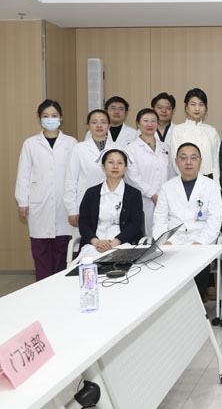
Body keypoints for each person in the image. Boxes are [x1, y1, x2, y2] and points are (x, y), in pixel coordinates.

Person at [15, 99, 77, 280]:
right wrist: (22, 201)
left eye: (54, 115)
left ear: (61, 118)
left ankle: (57, 285)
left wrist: (74, 205)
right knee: (40, 249)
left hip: (63, 203)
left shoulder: (71, 142)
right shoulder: (30, 144)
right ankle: (42, 286)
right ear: (39, 119)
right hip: (38, 203)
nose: (50, 119)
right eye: (46, 116)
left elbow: (75, 175)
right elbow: (23, 174)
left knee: (62, 249)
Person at [153, 142, 222, 297]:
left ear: (200, 161)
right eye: (183, 158)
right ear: (176, 161)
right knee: (166, 278)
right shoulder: (167, 187)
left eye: (193, 158)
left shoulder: (211, 187)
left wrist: (200, 243)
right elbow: (159, 219)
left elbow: (214, 221)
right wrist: (165, 241)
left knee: (198, 269)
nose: (188, 162)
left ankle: (196, 305)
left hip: (200, 243)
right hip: (172, 243)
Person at [76, 149, 144, 261]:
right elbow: (83, 224)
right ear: (103, 166)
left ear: (125, 168)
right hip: (95, 245)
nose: (115, 166)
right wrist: (96, 242)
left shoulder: (134, 194)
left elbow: (135, 224)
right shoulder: (91, 193)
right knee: (90, 264)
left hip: (123, 244)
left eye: (120, 163)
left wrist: (115, 243)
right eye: (111, 162)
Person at [125, 108, 175, 235]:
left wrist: (165, 194)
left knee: (164, 233)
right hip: (143, 199)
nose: (150, 124)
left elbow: (171, 173)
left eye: (153, 121)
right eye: (145, 121)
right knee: (145, 234)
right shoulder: (130, 149)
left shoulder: (165, 147)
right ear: (138, 124)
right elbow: (132, 178)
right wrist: (152, 195)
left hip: (164, 198)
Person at [64, 109, 116, 228]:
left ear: (109, 125)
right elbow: (71, 180)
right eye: (94, 122)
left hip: (113, 202)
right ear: (88, 126)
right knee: (87, 237)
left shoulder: (118, 148)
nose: (99, 126)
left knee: (111, 236)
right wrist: (72, 210)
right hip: (85, 202)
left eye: (103, 122)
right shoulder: (79, 148)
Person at [170, 88, 222, 183]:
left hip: (210, 182)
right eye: (193, 104)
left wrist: (216, 184)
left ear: (205, 108)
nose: (197, 108)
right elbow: (176, 160)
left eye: (201, 104)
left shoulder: (211, 131)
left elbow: (216, 161)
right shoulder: (178, 130)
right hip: (187, 181)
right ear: (186, 107)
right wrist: (188, 181)